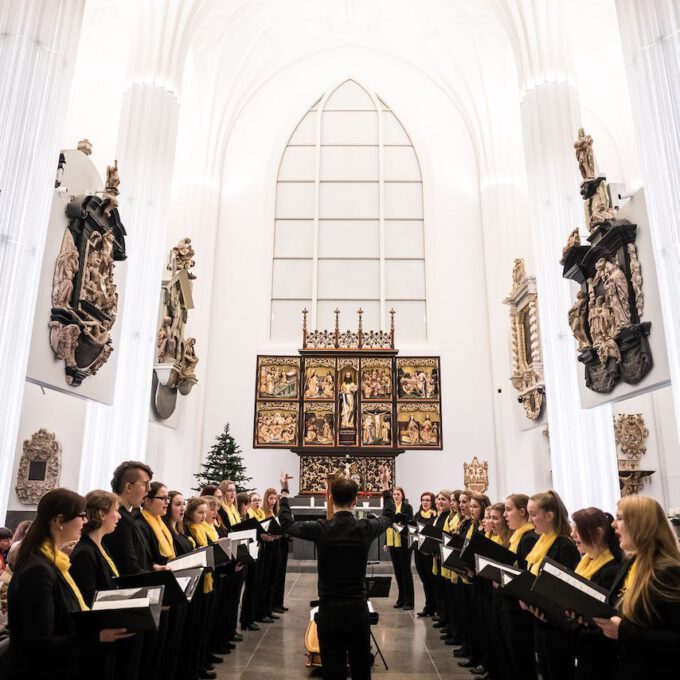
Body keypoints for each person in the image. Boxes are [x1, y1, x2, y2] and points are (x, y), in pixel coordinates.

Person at [278, 465, 394, 680]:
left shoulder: (321, 528)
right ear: (356, 501)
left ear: (330, 499)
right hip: (357, 609)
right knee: (361, 668)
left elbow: (286, 524)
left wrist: (284, 491)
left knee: (333, 670)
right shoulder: (364, 528)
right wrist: (385, 486)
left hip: (330, 609)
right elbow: (388, 516)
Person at [0, 488, 130, 680]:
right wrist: (97, 637)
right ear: (59, 521)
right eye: (81, 516)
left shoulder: (53, 562)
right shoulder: (38, 570)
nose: (85, 521)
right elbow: (39, 645)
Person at [593, 495, 680, 680]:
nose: (614, 525)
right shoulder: (631, 563)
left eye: (620, 518)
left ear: (641, 524)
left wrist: (623, 631)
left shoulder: (668, 572)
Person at [525, 490, 580, 680]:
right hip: (541, 619)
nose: (530, 519)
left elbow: (566, 589)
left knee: (559, 671)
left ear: (549, 516)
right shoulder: (541, 541)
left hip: (557, 625)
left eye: (533, 514)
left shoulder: (564, 545)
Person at [69, 490, 123, 680]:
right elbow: (89, 600)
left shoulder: (101, 546)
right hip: (96, 637)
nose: (119, 516)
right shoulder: (85, 551)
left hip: (107, 633)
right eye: (116, 510)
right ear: (101, 514)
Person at [568, 507, 622, 680]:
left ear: (597, 534)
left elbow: (602, 617)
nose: (572, 534)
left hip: (600, 652)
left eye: (577, 530)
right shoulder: (585, 563)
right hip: (584, 647)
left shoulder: (611, 570)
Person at [502, 493, 539, 680]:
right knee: (515, 655)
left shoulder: (528, 539)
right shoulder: (518, 536)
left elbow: (524, 574)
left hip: (520, 607)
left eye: (509, 510)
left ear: (522, 512)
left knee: (522, 658)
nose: (505, 515)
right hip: (512, 602)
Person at [384, 485, 414, 610]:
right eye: (394, 494)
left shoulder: (407, 507)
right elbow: (387, 525)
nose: (396, 496)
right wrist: (386, 542)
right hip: (392, 542)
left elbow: (409, 524)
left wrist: (398, 523)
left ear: (402, 496)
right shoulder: (390, 507)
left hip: (404, 542)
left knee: (405, 571)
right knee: (397, 571)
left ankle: (409, 601)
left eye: (398, 494)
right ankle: (401, 599)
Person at [413, 491, 437, 617]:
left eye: (427, 500)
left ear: (432, 502)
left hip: (429, 553)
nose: (425, 502)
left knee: (432, 581)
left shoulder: (434, 516)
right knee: (425, 581)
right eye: (423, 500)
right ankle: (429, 607)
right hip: (418, 552)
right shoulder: (418, 515)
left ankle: (436, 607)